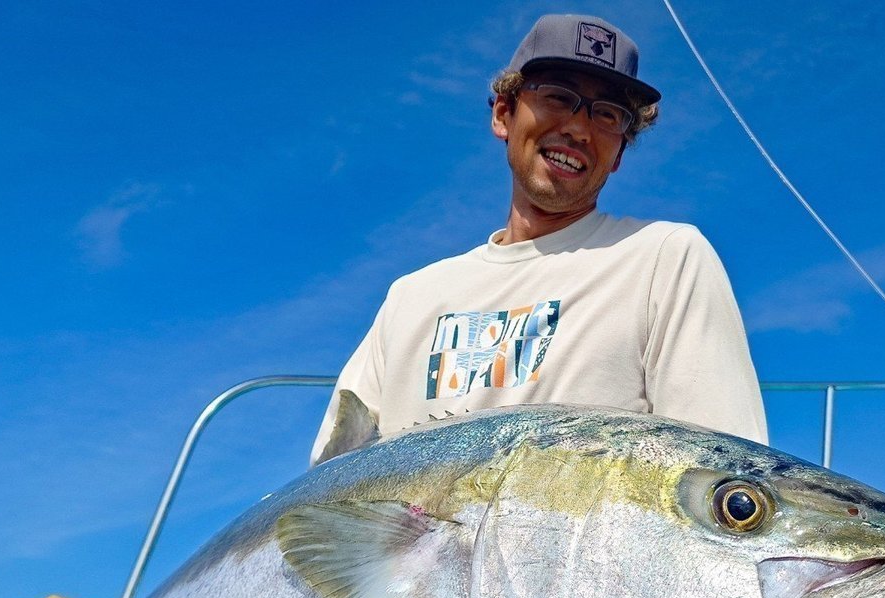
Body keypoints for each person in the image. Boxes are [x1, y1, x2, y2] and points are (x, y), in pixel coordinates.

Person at [311, 12, 767, 465]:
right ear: (503, 114)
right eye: (557, 96)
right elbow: (325, 485)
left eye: (608, 114)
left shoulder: (666, 259)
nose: (578, 128)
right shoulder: (409, 297)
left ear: (619, 156)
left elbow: (723, 477)